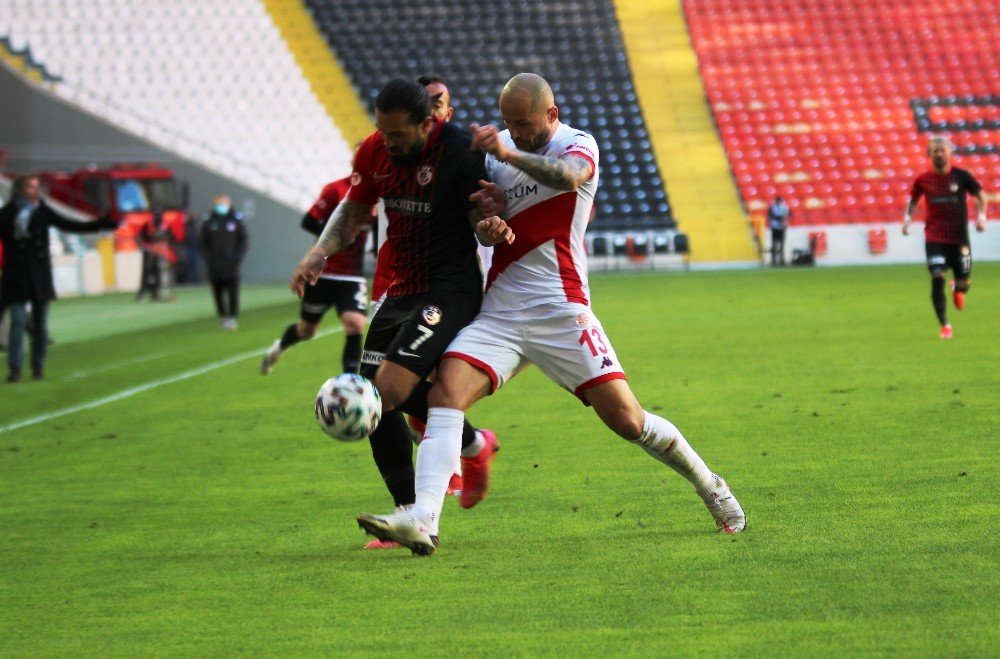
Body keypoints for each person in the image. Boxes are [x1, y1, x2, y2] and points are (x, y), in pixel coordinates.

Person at [356, 73, 746, 555]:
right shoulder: (496, 163)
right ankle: (424, 519)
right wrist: (489, 224)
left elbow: (571, 179)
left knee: (628, 420)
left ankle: (711, 485)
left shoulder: (576, 145)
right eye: (507, 124)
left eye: (523, 123)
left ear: (551, 115)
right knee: (445, 393)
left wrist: (508, 153)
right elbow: (480, 225)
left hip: (561, 310)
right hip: (500, 310)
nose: (514, 131)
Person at [290, 79, 512, 549]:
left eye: (397, 134)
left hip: (448, 288)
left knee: (383, 393)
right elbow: (354, 209)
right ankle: (417, 504)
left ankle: (427, 508)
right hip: (400, 288)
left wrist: (491, 229)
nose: (387, 142)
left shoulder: (457, 152)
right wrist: (320, 252)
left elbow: (479, 223)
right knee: (376, 403)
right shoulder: (375, 151)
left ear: (427, 123)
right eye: (381, 132)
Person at [0, 174, 116, 382]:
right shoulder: (7, 214)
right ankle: (15, 367)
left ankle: (38, 367)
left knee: (40, 327)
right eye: (30, 187)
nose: (35, 191)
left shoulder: (43, 212)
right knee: (17, 321)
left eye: (36, 187)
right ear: (19, 189)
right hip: (15, 277)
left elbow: (69, 224)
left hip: (39, 276)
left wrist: (99, 224)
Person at [262, 176, 368, 374]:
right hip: (323, 271)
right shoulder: (336, 189)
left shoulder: (377, 191)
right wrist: (338, 233)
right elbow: (309, 221)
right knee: (307, 330)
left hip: (352, 274)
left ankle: (350, 380)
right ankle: (279, 347)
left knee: (355, 323)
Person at [903, 136, 988, 339]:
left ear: (950, 153)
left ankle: (957, 288)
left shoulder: (961, 176)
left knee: (964, 283)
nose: (939, 154)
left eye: (943, 150)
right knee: (937, 279)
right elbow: (913, 200)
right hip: (935, 237)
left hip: (959, 239)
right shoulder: (923, 180)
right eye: (935, 150)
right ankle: (945, 325)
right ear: (930, 155)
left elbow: (981, 196)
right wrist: (907, 219)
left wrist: (982, 217)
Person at [200, 195, 249, 331]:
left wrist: (237, 258)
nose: (221, 206)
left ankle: (232, 317)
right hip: (215, 265)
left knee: (233, 292)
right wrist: (209, 259)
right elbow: (202, 242)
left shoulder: (236, 220)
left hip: (232, 264)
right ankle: (222, 316)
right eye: (219, 204)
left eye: (224, 203)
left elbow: (243, 241)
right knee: (217, 292)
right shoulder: (209, 221)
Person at [136, 204, 176, 302]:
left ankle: (155, 294)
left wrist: (166, 243)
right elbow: (140, 236)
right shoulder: (148, 224)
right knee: (147, 272)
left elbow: (171, 236)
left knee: (159, 271)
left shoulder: (164, 225)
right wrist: (145, 247)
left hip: (160, 250)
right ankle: (142, 294)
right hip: (149, 251)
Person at [767, 195, 790, 266]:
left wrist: (783, 219)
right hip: (775, 227)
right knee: (774, 244)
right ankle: (774, 260)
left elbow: (788, 214)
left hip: (782, 227)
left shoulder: (784, 207)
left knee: (782, 244)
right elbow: (772, 215)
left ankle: (781, 260)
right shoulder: (772, 207)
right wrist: (781, 218)